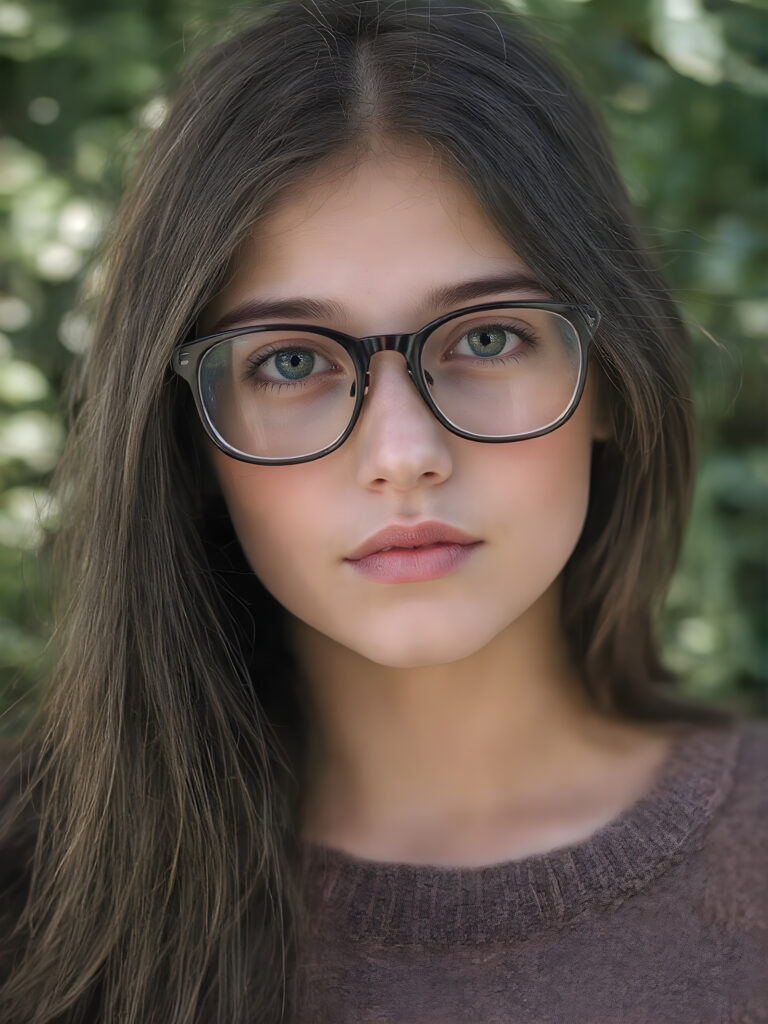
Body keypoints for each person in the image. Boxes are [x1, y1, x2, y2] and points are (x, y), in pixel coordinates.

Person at [1, 0, 766, 1021]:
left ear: (613, 382)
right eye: (289, 362)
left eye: (488, 338)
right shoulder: (31, 894)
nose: (405, 457)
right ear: (186, 435)